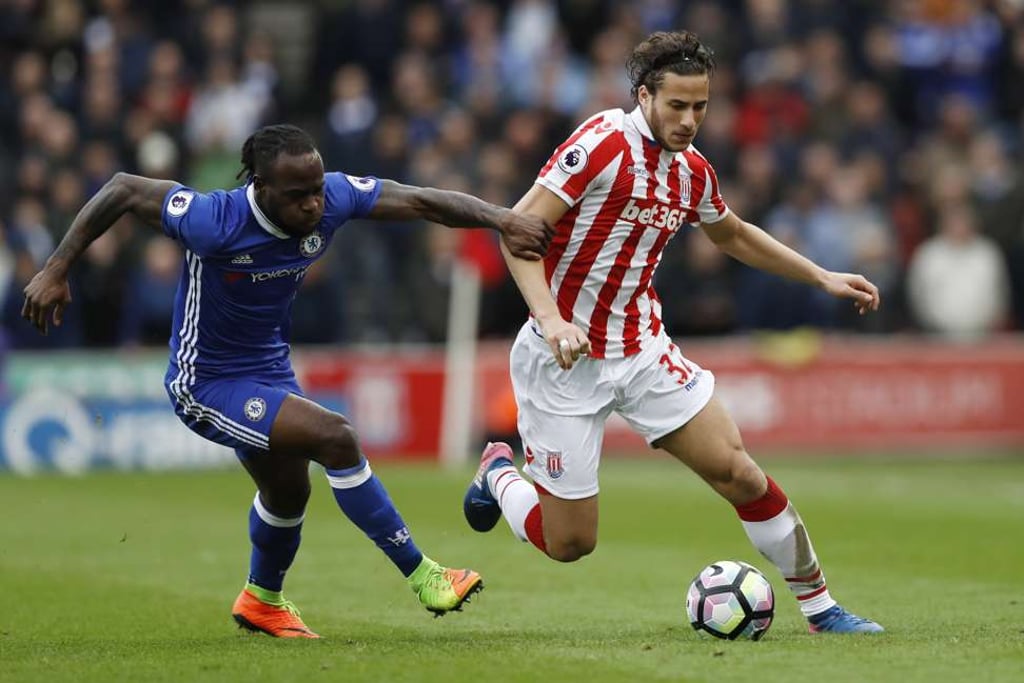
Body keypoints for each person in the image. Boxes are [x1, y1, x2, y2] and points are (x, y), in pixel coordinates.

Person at [22, 123, 554, 639]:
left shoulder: (333, 198)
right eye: (298, 195)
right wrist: (57, 267)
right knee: (336, 437)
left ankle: (261, 600)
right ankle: (425, 576)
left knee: (288, 490)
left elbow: (417, 201)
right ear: (261, 188)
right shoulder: (214, 219)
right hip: (205, 380)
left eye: (318, 190)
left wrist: (502, 219)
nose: (313, 205)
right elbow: (121, 189)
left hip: (269, 370)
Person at [462, 31, 884, 634]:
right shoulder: (602, 143)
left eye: (701, 107)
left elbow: (731, 233)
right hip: (564, 360)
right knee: (570, 543)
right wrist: (552, 320)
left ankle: (821, 609)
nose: (690, 121)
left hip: (642, 349)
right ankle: (499, 473)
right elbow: (518, 228)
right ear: (644, 96)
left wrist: (820, 275)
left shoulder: (692, 172)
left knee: (738, 471)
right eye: (677, 106)